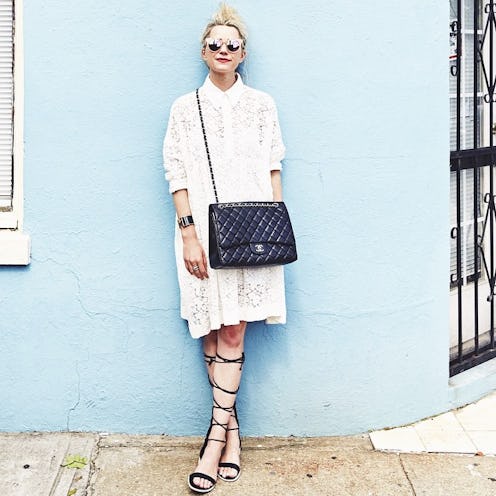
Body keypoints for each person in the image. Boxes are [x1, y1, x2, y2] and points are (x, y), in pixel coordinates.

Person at [163, 3, 287, 493]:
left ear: (243, 53)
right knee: (210, 328)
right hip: (200, 234)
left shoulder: (262, 104)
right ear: (203, 51)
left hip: (253, 232)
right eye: (214, 43)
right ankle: (233, 432)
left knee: (232, 331)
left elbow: (274, 165)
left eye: (231, 44)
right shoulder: (183, 107)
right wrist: (189, 232)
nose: (222, 49)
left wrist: (274, 224)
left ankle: (214, 438)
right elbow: (176, 172)